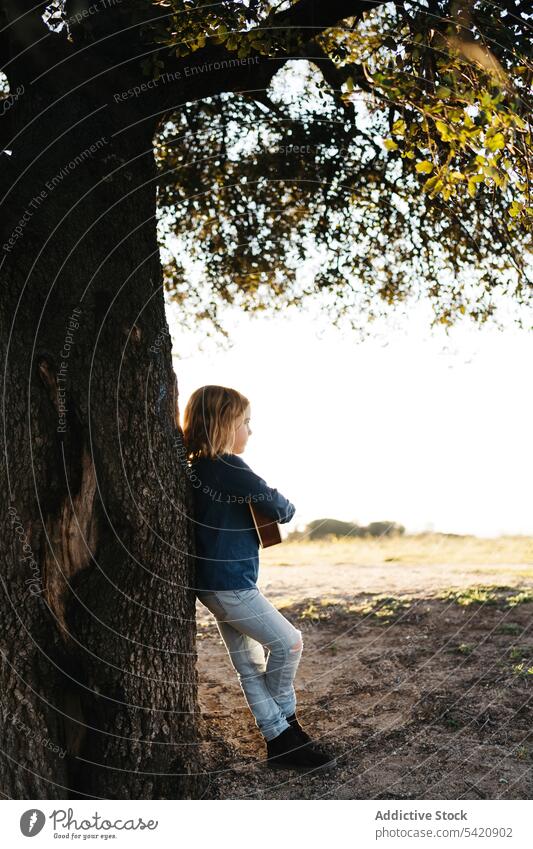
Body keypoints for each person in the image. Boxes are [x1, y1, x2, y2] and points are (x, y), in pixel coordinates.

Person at [182, 384, 336, 770]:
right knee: (290, 643)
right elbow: (281, 509)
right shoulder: (227, 465)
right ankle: (286, 726)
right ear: (224, 424)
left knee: (249, 666)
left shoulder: (197, 468)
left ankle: (281, 741)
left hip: (211, 584)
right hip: (232, 583)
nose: (250, 431)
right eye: (246, 423)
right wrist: (282, 501)